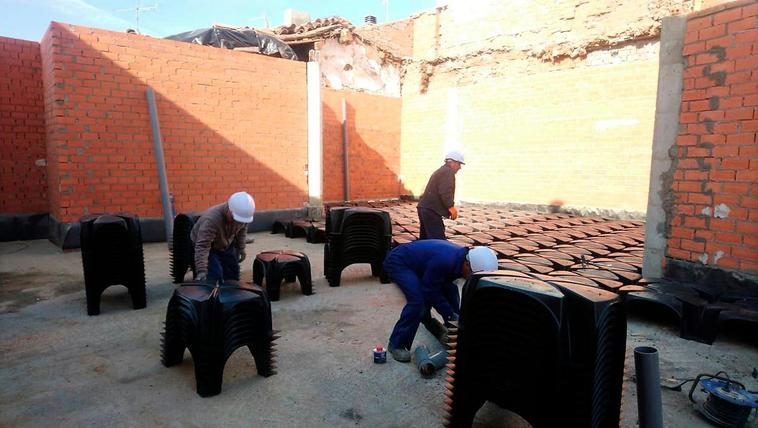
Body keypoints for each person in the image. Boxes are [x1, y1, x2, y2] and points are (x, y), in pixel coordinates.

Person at [383, 240, 498, 362]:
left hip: (422, 264)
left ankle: (441, 325)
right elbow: (430, 290)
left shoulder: (460, 259)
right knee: (418, 301)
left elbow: (449, 290)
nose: (470, 278)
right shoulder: (445, 261)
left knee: (450, 291)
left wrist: (456, 320)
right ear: (467, 265)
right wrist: (449, 315)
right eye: (471, 275)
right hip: (400, 262)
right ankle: (396, 344)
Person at [191, 191, 255, 282]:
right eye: (235, 220)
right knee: (215, 276)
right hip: (208, 247)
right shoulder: (211, 220)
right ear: (229, 210)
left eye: (240, 221)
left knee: (233, 273)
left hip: (224, 243)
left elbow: (242, 231)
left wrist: (241, 248)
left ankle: (230, 294)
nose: (238, 223)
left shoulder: (243, 215)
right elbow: (202, 246)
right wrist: (201, 270)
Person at [417, 150, 465, 240]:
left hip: (425, 208)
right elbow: (445, 191)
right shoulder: (448, 172)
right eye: (459, 164)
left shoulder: (442, 170)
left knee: (425, 239)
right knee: (437, 240)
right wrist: (451, 207)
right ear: (452, 162)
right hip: (431, 210)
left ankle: (422, 253)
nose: (460, 168)